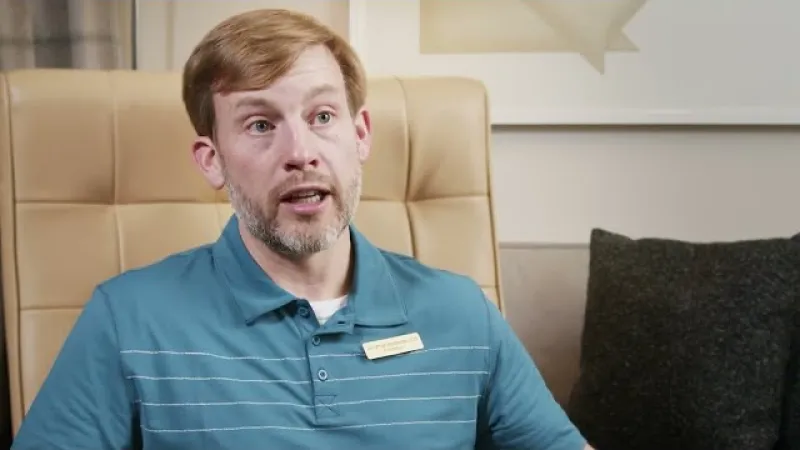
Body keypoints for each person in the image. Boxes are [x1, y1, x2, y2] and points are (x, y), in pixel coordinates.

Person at [11, 9, 593, 450]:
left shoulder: (462, 314)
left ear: (359, 135)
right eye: (261, 124)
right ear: (212, 160)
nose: (301, 152)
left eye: (322, 116)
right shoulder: (126, 320)